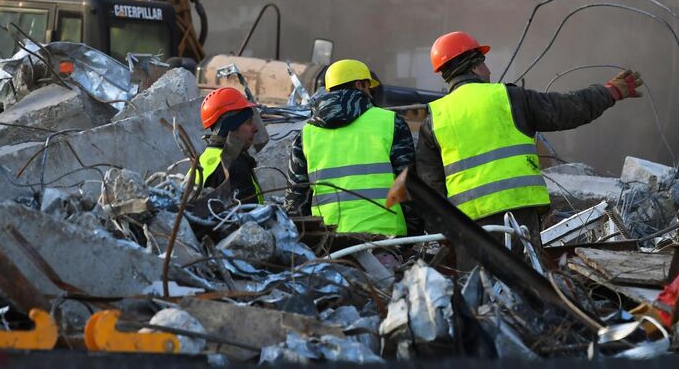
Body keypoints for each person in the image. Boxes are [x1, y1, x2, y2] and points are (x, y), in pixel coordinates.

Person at [417, 30, 642, 243]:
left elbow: (430, 187)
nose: (488, 70)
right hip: (519, 216)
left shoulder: (435, 118)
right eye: (483, 63)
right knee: (524, 279)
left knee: (478, 282)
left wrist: (445, 235)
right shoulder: (509, 97)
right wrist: (610, 92)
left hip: (469, 226)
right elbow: (565, 109)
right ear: (474, 68)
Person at [287, 59, 415, 236]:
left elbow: (296, 200)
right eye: (369, 86)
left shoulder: (306, 135)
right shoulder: (391, 123)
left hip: (330, 242)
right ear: (360, 84)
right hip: (387, 237)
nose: (371, 92)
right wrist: (413, 235)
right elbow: (410, 185)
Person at [196, 87, 265, 204]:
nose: (255, 129)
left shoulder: (202, 160)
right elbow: (250, 218)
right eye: (248, 122)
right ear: (230, 127)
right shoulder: (234, 168)